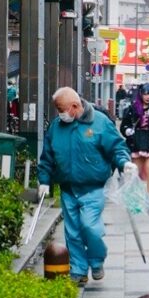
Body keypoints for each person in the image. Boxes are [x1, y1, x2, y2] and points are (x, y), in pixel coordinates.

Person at [37, 87, 135, 285]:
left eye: (61, 109)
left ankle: (97, 260)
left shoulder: (99, 123)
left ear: (74, 106)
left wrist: (124, 162)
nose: (59, 113)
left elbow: (116, 147)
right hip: (68, 188)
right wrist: (44, 181)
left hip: (93, 187)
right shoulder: (56, 126)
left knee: (90, 227)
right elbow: (47, 156)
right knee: (72, 232)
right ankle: (79, 269)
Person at [119, 85, 149, 196]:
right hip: (136, 140)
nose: (148, 97)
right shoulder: (132, 108)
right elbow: (124, 126)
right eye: (145, 94)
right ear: (140, 94)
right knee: (135, 172)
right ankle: (134, 198)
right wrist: (127, 131)